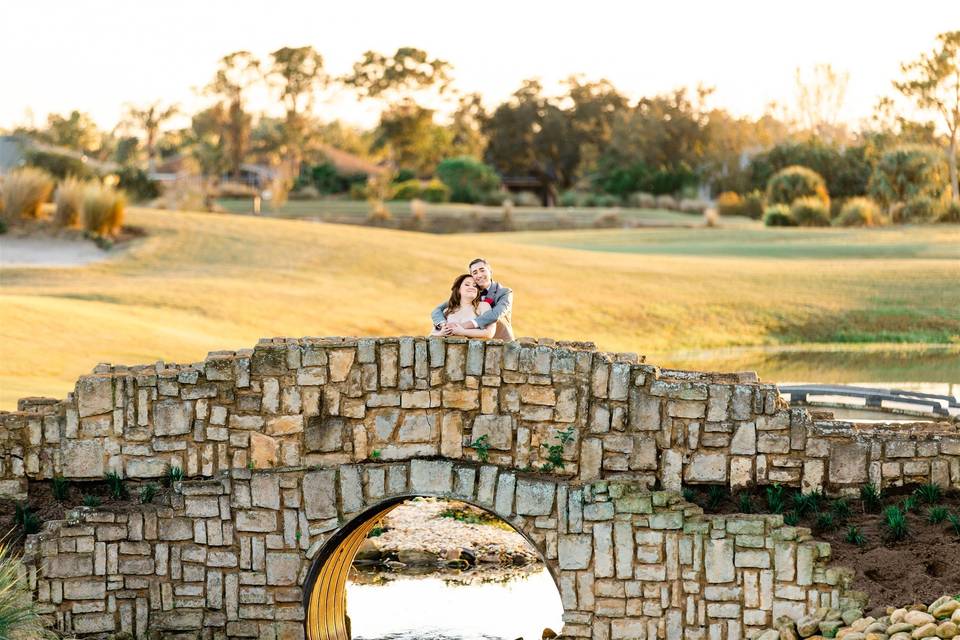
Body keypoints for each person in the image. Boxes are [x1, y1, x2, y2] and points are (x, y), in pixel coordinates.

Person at [431, 258, 514, 339]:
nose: (479, 275)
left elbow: (495, 314)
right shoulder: (471, 293)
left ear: (490, 272)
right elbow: (437, 310)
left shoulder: (505, 292)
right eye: (475, 272)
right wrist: (444, 325)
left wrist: (462, 326)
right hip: (478, 343)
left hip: (503, 342)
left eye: (482, 270)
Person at [429, 274, 497, 338]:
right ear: (458, 289)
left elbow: (489, 333)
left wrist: (463, 332)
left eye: (475, 286)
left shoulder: (483, 306)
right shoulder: (448, 310)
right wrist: (441, 333)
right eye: (467, 284)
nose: (472, 287)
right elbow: (431, 334)